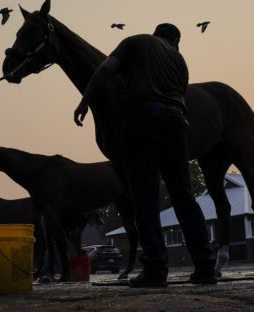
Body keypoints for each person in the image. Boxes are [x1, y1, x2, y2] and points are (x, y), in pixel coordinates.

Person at [74, 23, 216, 287]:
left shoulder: (135, 41)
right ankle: (205, 266)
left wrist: (85, 101)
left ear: (156, 35)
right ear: (175, 40)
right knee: (183, 195)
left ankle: (155, 269)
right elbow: (181, 96)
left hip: (141, 120)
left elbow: (105, 69)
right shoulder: (179, 60)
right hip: (176, 124)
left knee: (145, 194)